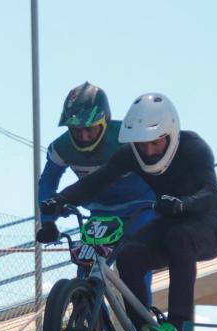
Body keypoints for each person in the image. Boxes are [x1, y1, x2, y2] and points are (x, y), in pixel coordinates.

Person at [39, 92, 217, 331]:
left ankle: (176, 324)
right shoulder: (129, 154)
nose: (149, 151)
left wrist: (182, 203)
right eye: (142, 145)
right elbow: (93, 184)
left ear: (171, 133)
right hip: (170, 223)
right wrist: (60, 200)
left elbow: (210, 193)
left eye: (156, 143)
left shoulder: (193, 147)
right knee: (128, 254)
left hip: (211, 224)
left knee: (179, 236)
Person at [37, 82, 156, 299]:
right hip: (101, 213)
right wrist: (47, 221)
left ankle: (142, 323)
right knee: (85, 269)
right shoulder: (61, 147)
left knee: (135, 260)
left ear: (105, 122)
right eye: (76, 130)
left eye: (89, 129)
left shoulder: (127, 136)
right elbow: (47, 181)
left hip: (141, 208)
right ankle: (93, 320)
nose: (82, 136)